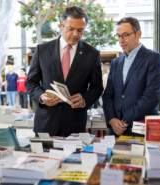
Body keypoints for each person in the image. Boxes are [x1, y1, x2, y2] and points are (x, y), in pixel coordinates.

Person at [25, 6, 103, 136]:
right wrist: (41, 97)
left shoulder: (92, 54)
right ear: (61, 25)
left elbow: (97, 87)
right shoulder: (42, 50)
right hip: (46, 123)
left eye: (80, 30)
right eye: (71, 29)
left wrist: (84, 99)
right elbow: (30, 82)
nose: (75, 34)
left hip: (75, 124)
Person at [102, 17, 160, 136]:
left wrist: (125, 120)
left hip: (140, 129)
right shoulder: (116, 62)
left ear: (138, 34)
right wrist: (112, 120)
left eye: (125, 35)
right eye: (118, 36)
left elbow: (151, 96)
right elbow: (108, 94)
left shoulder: (154, 58)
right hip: (115, 131)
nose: (121, 40)